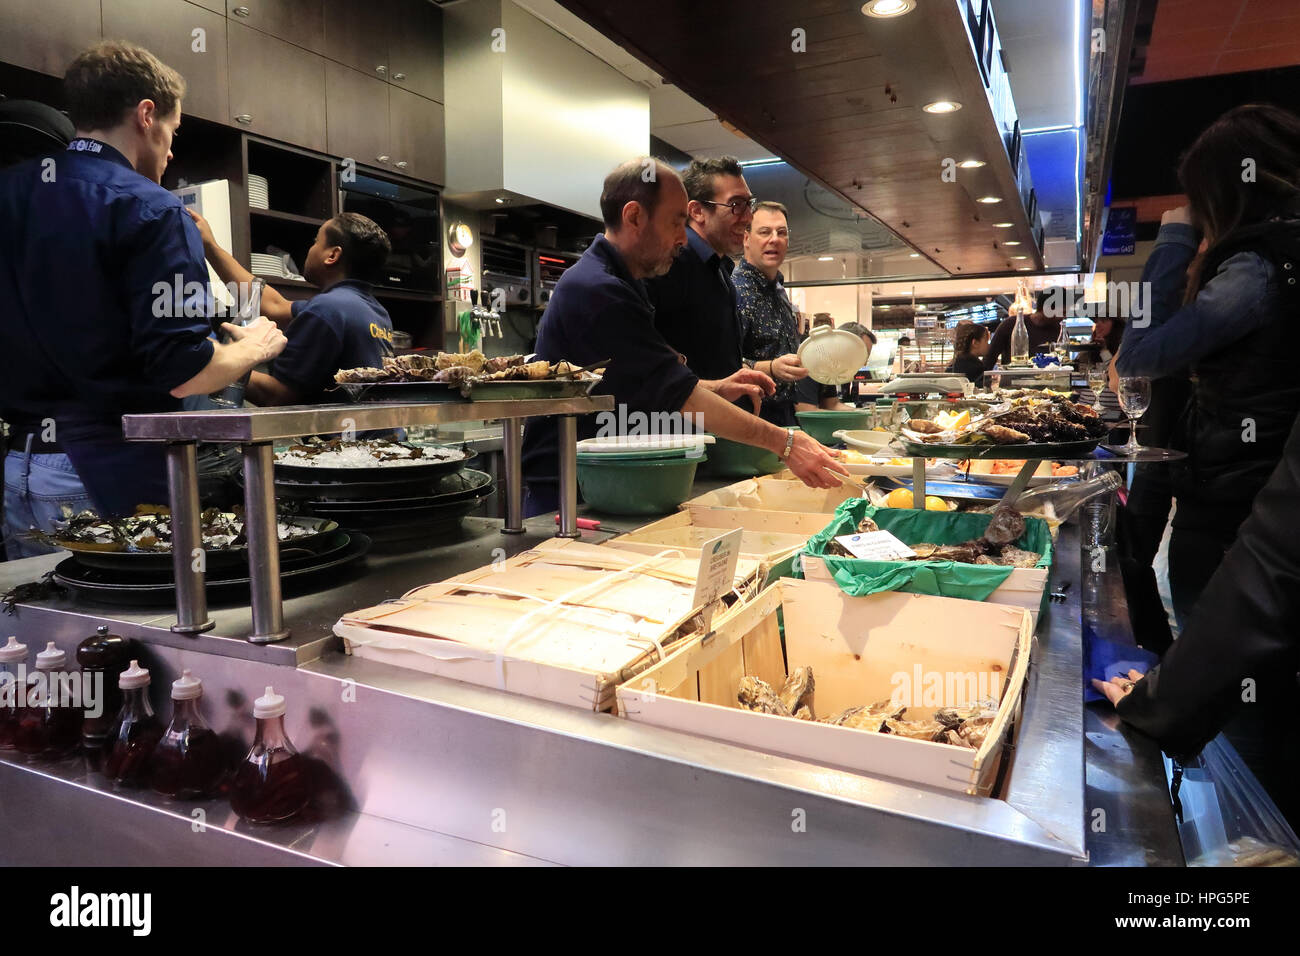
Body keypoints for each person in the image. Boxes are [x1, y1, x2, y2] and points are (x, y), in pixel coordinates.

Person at [0, 41, 286, 558]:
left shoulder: (11, 191)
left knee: (39, 633)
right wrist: (253, 348)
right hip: (105, 469)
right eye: (172, 133)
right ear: (147, 115)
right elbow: (184, 371)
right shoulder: (151, 209)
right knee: (135, 632)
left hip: (20, 465)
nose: (171, 151)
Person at [520, 158, 846, 515]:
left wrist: (717, 387)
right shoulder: (598, 289)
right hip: (571, 491)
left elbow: (643, 382)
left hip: (608, 481)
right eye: (677, 222)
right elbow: (677, 396)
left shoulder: (624, 283)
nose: (682, 237)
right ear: (634, 217)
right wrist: (784, 442)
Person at [1116, 103, 1300, 631]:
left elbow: (1137, 358)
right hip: (1260, 493)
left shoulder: (1259, 266)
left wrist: (1173, 239)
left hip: (1239, 501)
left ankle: (1200, 713)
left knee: (1219, 651)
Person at [1093, 410, 1300, 830]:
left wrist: (1165, 704)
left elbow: (1277, 560)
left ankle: (1255, 840)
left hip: (1225, 530)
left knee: (1251, 736)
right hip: (1225, 531)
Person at [189, 210, 395, 405]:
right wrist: (210, 246)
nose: (310, 248)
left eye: (316, 242)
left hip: (345, 442)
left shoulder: (327, 309)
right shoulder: (371, 310)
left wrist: (212, 358)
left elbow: (276, 397)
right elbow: (274, 306)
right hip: (377, 440)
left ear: (332, 255)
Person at [645, 156, 753, 382]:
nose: (749, 217)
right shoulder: (672, 261)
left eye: (749, 204)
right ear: (696, 211)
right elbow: (644, 352)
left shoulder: (720, 267)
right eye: (736, 205)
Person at [733, 201, 812, 426]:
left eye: (782, 232)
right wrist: (770, 368)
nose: (774, 239)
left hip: (786, 414)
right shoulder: (735, 291)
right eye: (765, 232)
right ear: (746, 239)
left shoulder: (779, 290)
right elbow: (720, 365)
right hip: (750, 417)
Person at [982, 290, 1064, 369]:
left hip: (1049, 382)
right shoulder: (1011, 324)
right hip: (1013, 382)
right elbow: (990, 358)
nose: (1064, 317)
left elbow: (1062, 362)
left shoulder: (1058, 330)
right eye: (1062, 312)